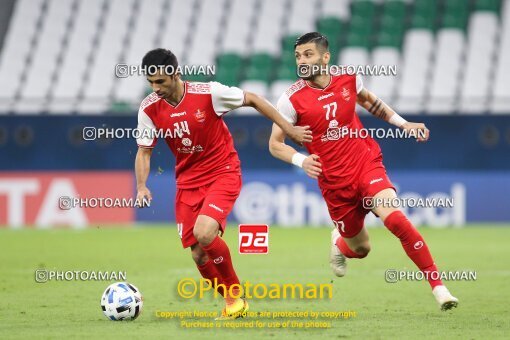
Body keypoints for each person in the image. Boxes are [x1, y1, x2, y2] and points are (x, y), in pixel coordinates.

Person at [268, 32, 458, 311]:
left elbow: (370, 102)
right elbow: (275, 144)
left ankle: (439, 287)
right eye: (298, 56)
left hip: (365, 163)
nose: (302, 61)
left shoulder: (348, 79)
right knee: (361, 249)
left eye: (308, 54)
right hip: (334, 183)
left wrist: (404, 124)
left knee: (395, 219)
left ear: (325, 57)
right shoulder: (290, 100)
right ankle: (338, 242)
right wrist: (300, 160)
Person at [134, 48, 312, 319]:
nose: (155, 88)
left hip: (222, 172)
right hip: (187, 182)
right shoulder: (149, 108)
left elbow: (252, 98)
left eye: (161, 81)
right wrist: (141, 186)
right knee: (198, 255)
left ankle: (234, 297)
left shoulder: (208, 93)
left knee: (205, 233)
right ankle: (234, 303)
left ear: (176, 74)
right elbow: (144, 151)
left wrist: (288, 129)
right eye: (151, 82)